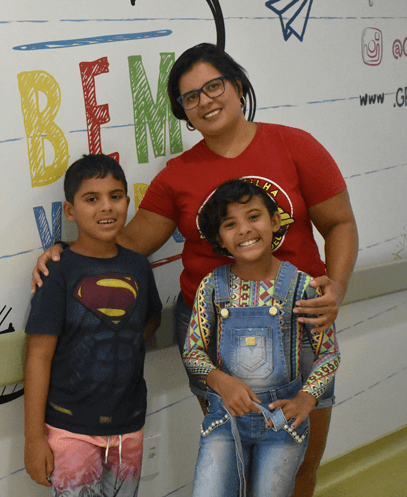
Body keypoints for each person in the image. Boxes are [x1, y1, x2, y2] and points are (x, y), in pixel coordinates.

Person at [32, 43, 358, 496]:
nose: (205, 100)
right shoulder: (176, 177)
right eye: (190, 97)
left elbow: (340, 223)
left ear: (238, 86)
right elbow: (124, 243)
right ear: (184, 112)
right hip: (216, 334)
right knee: (237, 467)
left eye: (213, 86)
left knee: (296, 466)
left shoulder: (295, 145)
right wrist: (64, 253)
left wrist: (337, 288)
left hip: (302, 321)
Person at [183, 179, 340, 497]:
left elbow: (328, 354)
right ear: (219, 239)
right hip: (224, 422)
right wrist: (218, 380)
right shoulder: (212, 287)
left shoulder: (303, 287)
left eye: (253, 216)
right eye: (230, 224)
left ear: (275, 221)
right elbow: (193, 351)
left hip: (280, 425)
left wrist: (306, 398)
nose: (244, 229)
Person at [23, 154, 163, 496]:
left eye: (115, 197)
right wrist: (33, 438)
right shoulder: (57, 270)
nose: (106, 207)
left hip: (128, 426)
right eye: (91, 199)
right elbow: (39, 357)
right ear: (70, 211)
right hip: (69, 429)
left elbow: (150, 319)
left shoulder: (138, 266)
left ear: (128, 203)